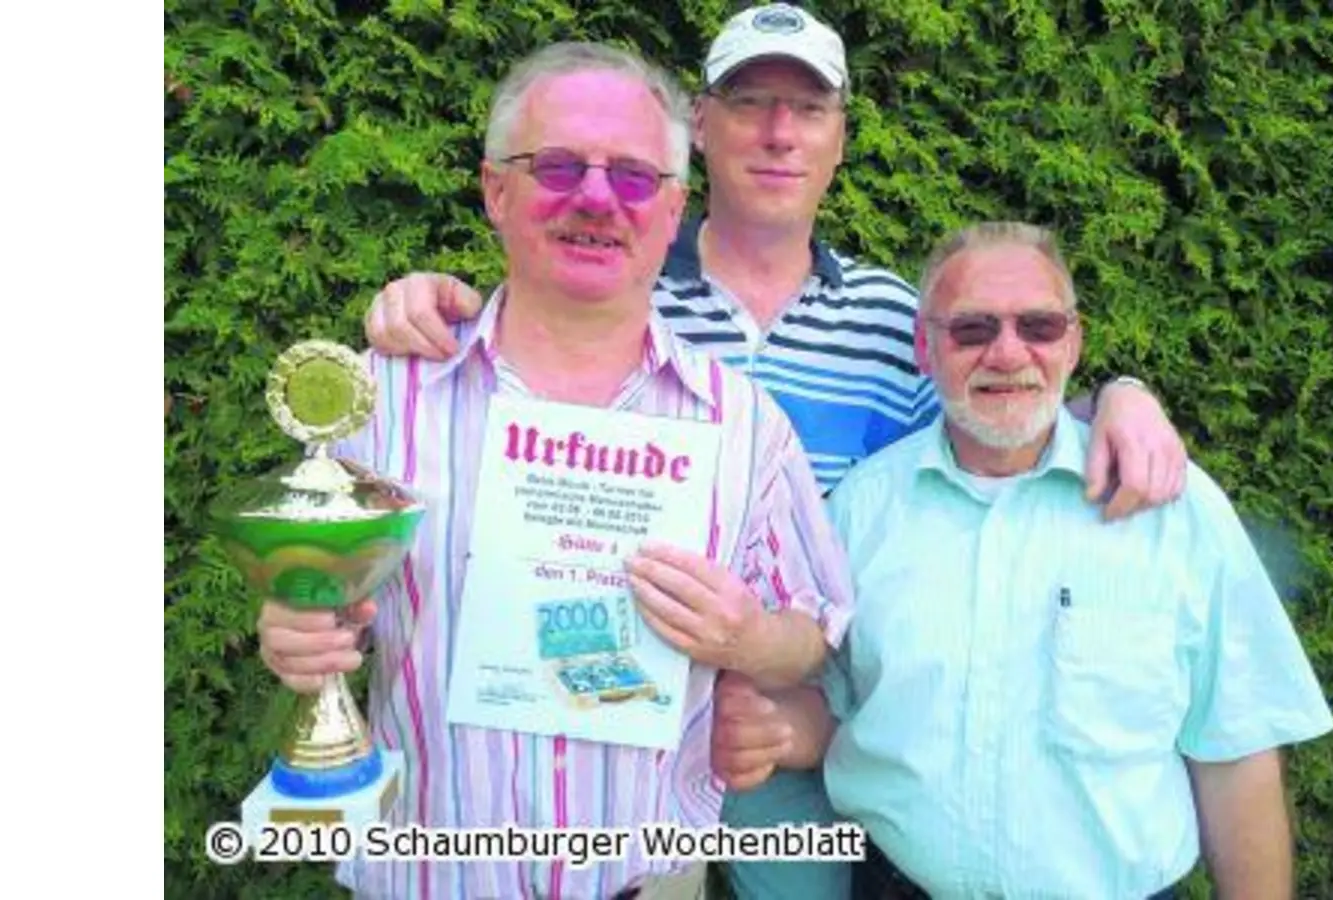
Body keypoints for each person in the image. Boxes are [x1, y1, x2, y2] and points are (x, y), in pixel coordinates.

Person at [361, 6, 1190, 897]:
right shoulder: (610, 269)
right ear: (702, 126)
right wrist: (416, 304)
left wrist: (1117, 398)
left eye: (810, 109)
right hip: (586, 739)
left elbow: (995, 428)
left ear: (841, 137)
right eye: (749, 100)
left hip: (790, 742)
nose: (778, 132)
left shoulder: (891, 319)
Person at [255, 41, 858, 900]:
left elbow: (811, 623)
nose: (597, 199)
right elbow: (318, 601)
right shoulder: (383, 397)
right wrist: (299, 631)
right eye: (559, 166)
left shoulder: (742, 422)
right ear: (496, 191)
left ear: (673, 205)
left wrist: (748, 640)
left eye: (634, 176)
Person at [716, 222, 1333, 899]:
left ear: (1074, 341)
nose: (1008, 354)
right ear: (925, 347)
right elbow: (835, 707)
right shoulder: (859, 513)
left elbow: (1238, 750)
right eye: (973, 329)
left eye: (1038, 327)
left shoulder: (1176, 510)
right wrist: (773, 731)